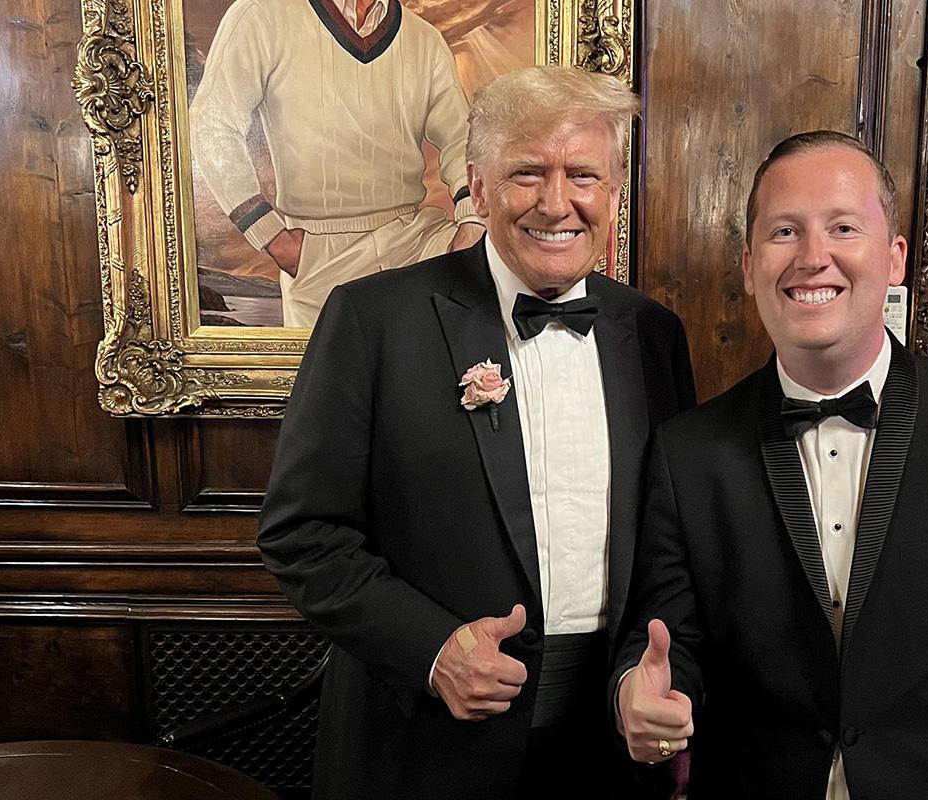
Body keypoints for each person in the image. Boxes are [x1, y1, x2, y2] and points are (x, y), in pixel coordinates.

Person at [258, 65, 696, 799]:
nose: (557, 203)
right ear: (478, 187)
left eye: (583, 175)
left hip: (608, 745)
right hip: (424, 748)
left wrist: (646, 676)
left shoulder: (653, 334)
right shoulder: (372, 321)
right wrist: (432, 650)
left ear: (614, 191)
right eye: (528, 173)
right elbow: (302, 533)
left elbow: (671, 540)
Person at [613, 130, 928, 799]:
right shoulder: (687, 451)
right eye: (784, 232)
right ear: (748, 266)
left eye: (842, 228)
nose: (813, 257)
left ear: (894, 258)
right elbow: (666, 642)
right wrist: (639, 692)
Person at [190, 0, 484, 327]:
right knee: (324, 361)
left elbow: (463, 138)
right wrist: (273, 237)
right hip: (318, 255)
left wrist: (472, 220)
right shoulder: (262, 14)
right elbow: (211, 123)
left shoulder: (423, 38)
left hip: (415, 242)